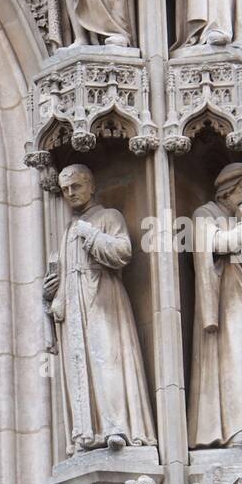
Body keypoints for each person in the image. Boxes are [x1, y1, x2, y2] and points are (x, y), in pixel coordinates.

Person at [44, 164, 156, 453]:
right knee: (80, 367)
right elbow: (67, 272)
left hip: (103, 298)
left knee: (108, 360)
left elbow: (123, 252)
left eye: (76, 186)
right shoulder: (69, 229)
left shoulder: (108, 217)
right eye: (65, 189)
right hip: (74, 309)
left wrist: (91, 236)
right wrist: (52, 294)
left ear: (91, 186)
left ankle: (116, 426)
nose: (70, 193)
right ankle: (86, 433)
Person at [189, 163, 242, 448]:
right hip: (223, 304)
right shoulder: (206, 215)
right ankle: (231, 430)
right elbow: (218, 245)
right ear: (227, 189)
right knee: (232, 360)